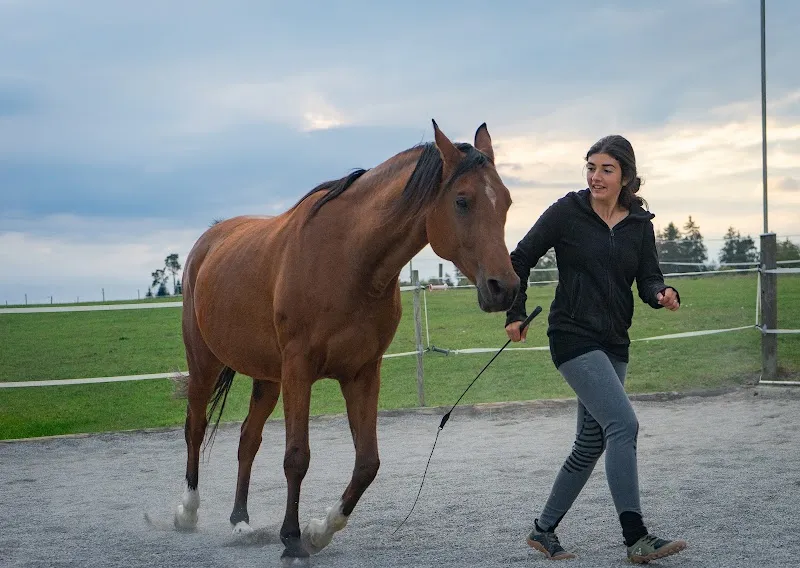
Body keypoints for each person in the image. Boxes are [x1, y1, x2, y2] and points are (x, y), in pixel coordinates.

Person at [504, 135, 686, 564]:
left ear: (625, 175)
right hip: (572, 336)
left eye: (606, 169)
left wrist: (663, 292)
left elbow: (648, 278)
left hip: (615, 340)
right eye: (590, 167)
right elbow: (520, 257)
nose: (595, 176)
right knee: (623, 424)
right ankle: (636, 538)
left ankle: (543, 530)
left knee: (590, 442)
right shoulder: (567, 213)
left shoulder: (639, 223)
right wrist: (514, 311)